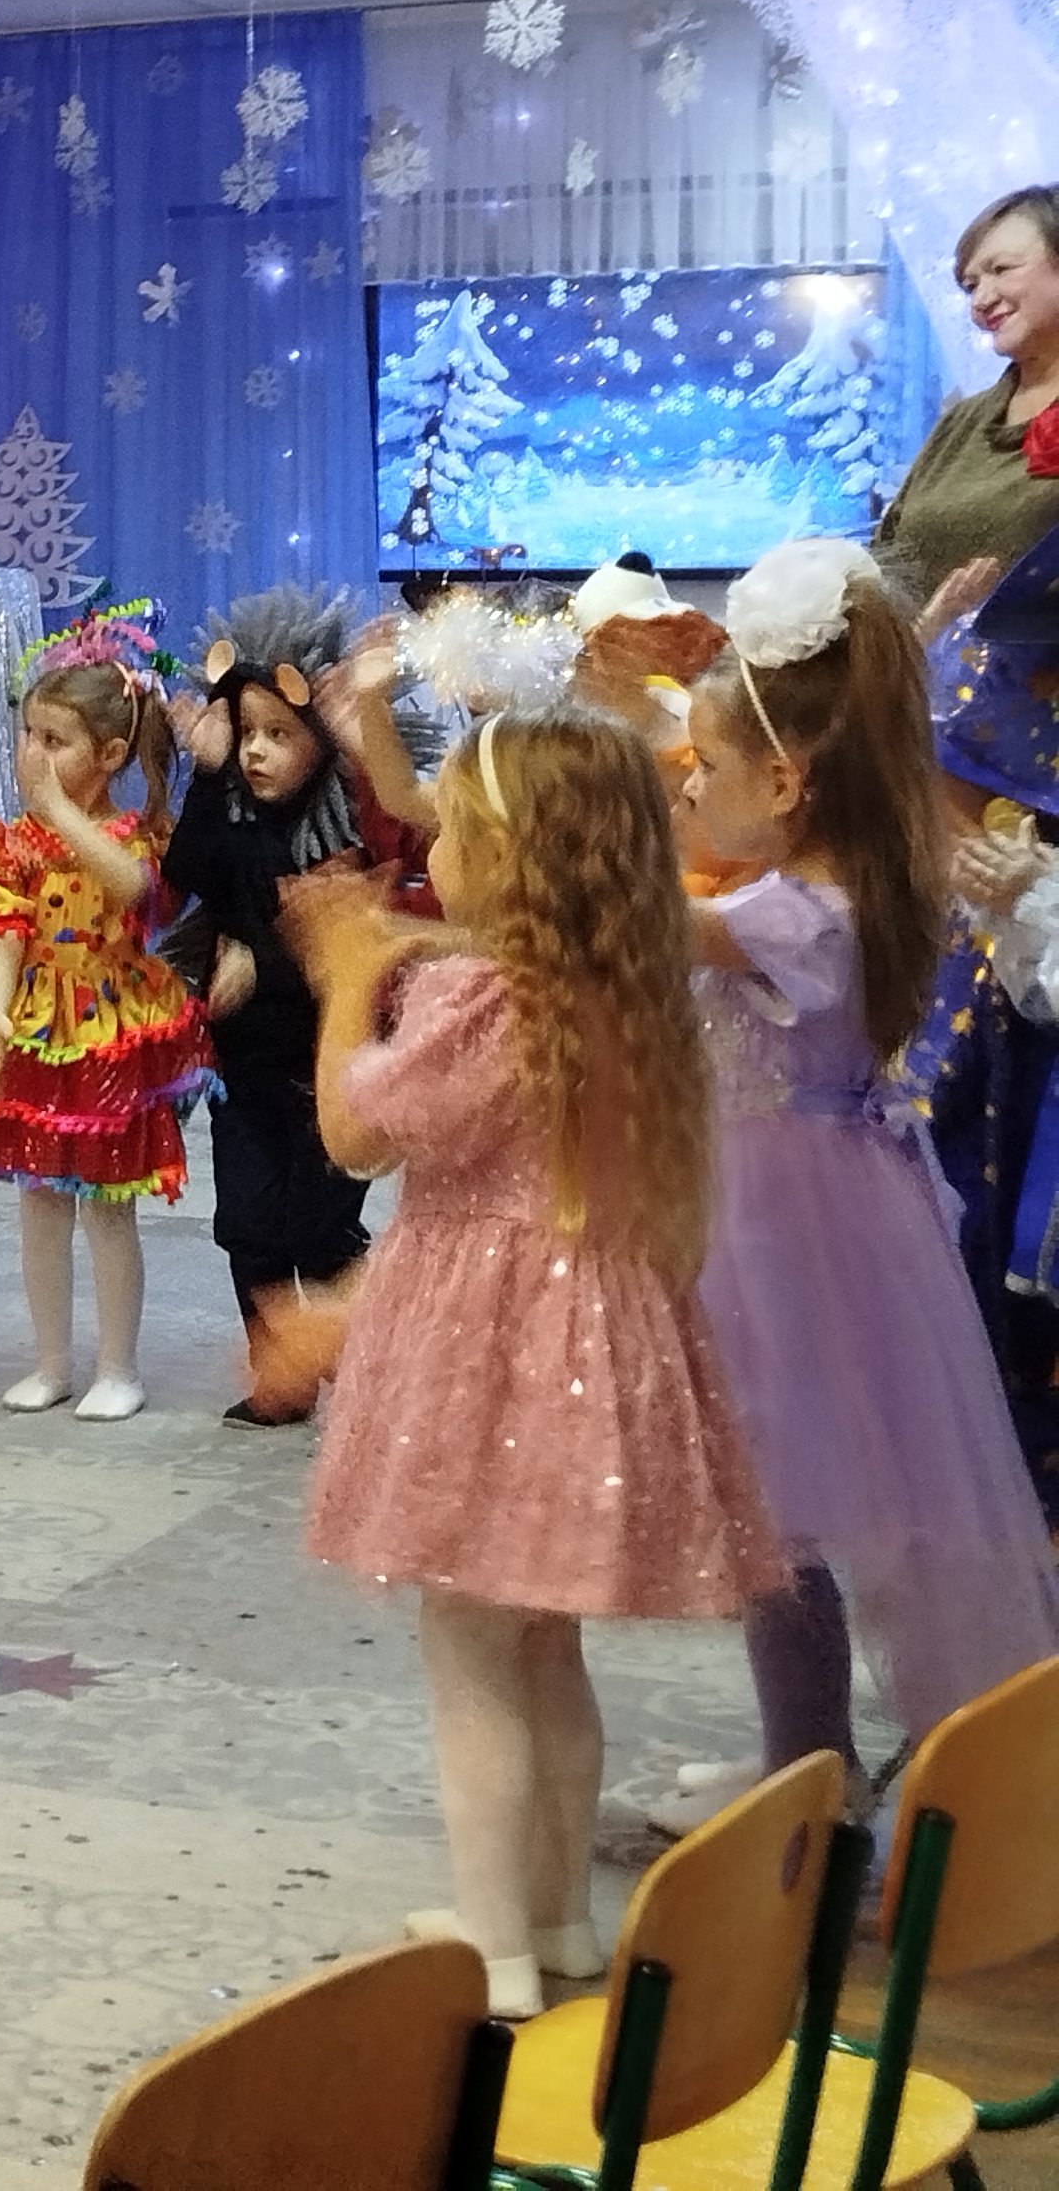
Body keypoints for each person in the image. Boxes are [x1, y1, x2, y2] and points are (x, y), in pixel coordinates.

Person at [289, 708, 782, 2021]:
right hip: (590, 1338)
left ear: (511, 857)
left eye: (452, 828)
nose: (431, 848)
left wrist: (345, 979)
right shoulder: (629, 986)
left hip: (485, 1348)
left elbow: (353, 1135)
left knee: (468, 1654)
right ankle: (559, 1917)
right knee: (545, 1647)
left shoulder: (479, 1001)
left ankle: (493, 1945)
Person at [663, 545, 1059, 1826]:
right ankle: (810, 1756)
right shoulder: (849, 878)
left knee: (778, 1519)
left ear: (785, 780)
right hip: (812, 1208)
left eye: (705, 766)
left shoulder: (797, 913)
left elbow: (627, 920)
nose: (688, 784)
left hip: (786, 1231)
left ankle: (821, 1781)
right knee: (780, 1519)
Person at [156, 588, 415, 1425]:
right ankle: (279, 1370)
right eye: (247, 735)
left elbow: (336, 937)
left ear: (321, 740)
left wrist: (259, 964)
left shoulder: (345, 831)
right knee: (245, 1224)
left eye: (280, 734)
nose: (258, 752)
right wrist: (206, 773)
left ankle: (359, 1360)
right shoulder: (232, 815)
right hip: (246, 1068)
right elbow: (189, 873)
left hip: (333, 1067)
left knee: (320, 1230)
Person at [0, 602, 204, 1423]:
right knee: (38, 1202)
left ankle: (118, 1367)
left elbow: (136, 894)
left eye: (55, 741)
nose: (33, 754)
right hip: (38, 1030)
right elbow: (1, 923)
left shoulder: (137, 833)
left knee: (107, 1204)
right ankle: (51, 1362)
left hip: (107, 1028)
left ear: (110, 755)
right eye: (29, 735)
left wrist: (62, 814)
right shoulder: (8, 842)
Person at [873, 184, 1059, 627]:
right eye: (971, 286)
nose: (981, 301)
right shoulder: (963, 420)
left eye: (1001, 269)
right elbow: (886, 552)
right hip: (921, 665)